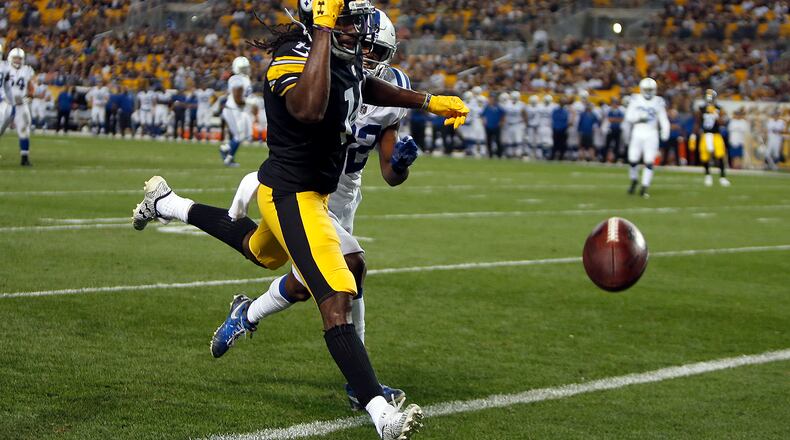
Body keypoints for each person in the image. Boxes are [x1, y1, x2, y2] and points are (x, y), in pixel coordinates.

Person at [131, 1, 467, 438]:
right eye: (345, 19)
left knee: (260, 251)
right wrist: (325, 32)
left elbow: (362, 87)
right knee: (337, 296)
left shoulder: (340, 56)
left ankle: (167, 203)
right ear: (319, 19)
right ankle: (382, 414)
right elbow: (309, 107)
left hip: (301, 192)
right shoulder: (292, 56)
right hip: (295, 195)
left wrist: (427, 101)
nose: (355, 30)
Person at [225, 8, 416, 410]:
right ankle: (364, 389)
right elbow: (300, 118)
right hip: (305, 187)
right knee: (351, 270)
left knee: (301, 283)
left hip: (343, 196)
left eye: (377, 50)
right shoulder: (321, 65)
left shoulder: (389, 88)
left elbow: (389, 173)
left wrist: (399, 164)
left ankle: (246, 313)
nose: (367, 56)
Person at [625, 77, 669, 198]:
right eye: (646, 89)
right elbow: (629, 117)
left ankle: (645, 186)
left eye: (651, 90)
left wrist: (665, 131)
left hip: (651, 132)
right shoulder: (635, 99)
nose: (649, 92)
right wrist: (638, 118)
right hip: (638, 131)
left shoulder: (658, 101)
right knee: (633, 159)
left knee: (649, 160)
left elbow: (663, 118)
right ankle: (634, 179)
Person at [690, 89, 730, 187]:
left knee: (720, 155)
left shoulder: (719, 108)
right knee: (705, 156)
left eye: (711, 96)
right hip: (705, 134)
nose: (709, 99)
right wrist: (693, 134)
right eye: (708, 96)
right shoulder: (701, 108)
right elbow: (698, 122)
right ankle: (708, 176)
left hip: (716, 135)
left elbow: (723, 122)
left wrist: (716, 114)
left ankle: (722, 177)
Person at [219, 56, 253, 167]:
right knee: (239, 136)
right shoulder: (237, 79)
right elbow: (238, 99)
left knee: (242, 136)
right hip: (233, 110)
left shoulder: (244, 78)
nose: (245, 70)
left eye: (245, 68)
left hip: (237, 110)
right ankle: (228, 158)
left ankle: (226, 149)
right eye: (242, 68)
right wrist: (250, 103)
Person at [6, 48, 35, 166]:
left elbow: (31, 86)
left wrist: (30, 96)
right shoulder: (3, 69)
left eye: (20, 58)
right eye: (15, 58)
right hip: (5, 103)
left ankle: (24, 157)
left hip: (21, 104)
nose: (17, 61)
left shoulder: (27, 70)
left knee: (24, 130)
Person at [602, 97, 624, 163]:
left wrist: (614, 119)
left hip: (617, 129)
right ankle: (604, 158)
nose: (614, 105)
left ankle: (615, 159)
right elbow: (609, 119)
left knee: (617, 145)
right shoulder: (610, 111)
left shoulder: (619, 111)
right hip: (610, 129)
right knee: (607, 145)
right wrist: (616, 119)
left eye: (616, 103)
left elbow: (621, 119)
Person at [536, 94, 555, 159]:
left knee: (548, 142)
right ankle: (539, 155)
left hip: (549, 126)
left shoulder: (554, 107)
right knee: (539, 141)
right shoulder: (539, 106)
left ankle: (547, 154)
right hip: (540, 125)